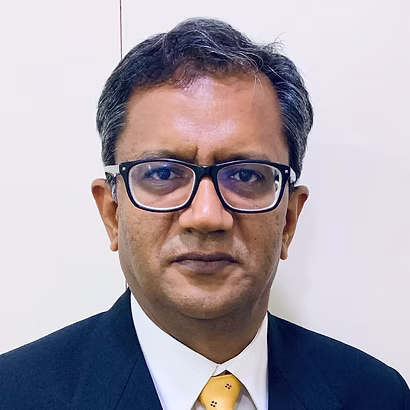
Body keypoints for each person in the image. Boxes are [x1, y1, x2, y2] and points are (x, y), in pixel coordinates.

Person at [0, 17, 409, 410]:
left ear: (288, 220)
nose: (207, 216)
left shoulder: (377, 396)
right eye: (163, 173)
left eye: (246, 175)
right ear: (112, 213)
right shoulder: (13, 395)